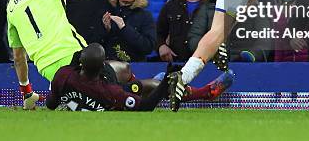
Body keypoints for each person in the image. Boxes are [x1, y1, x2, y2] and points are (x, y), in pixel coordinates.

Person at [6, 0, 154, 109]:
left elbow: (18, 58)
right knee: (123, 72)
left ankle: (68, 99)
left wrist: (26, 91)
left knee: (103, 94)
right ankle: (161, 88)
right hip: (75, 59)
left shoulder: (11, 7)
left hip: (51, 72)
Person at [45, 43, 233, 111]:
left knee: (126, 69)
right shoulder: (110, 91)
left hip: (89, 89)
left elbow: (51, 104)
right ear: (103, 66)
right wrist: (166, 82)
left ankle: (157, 82)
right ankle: (203, 93)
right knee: (153, 85)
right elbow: (146, 106)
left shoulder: (63, 75)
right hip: (105, 96)